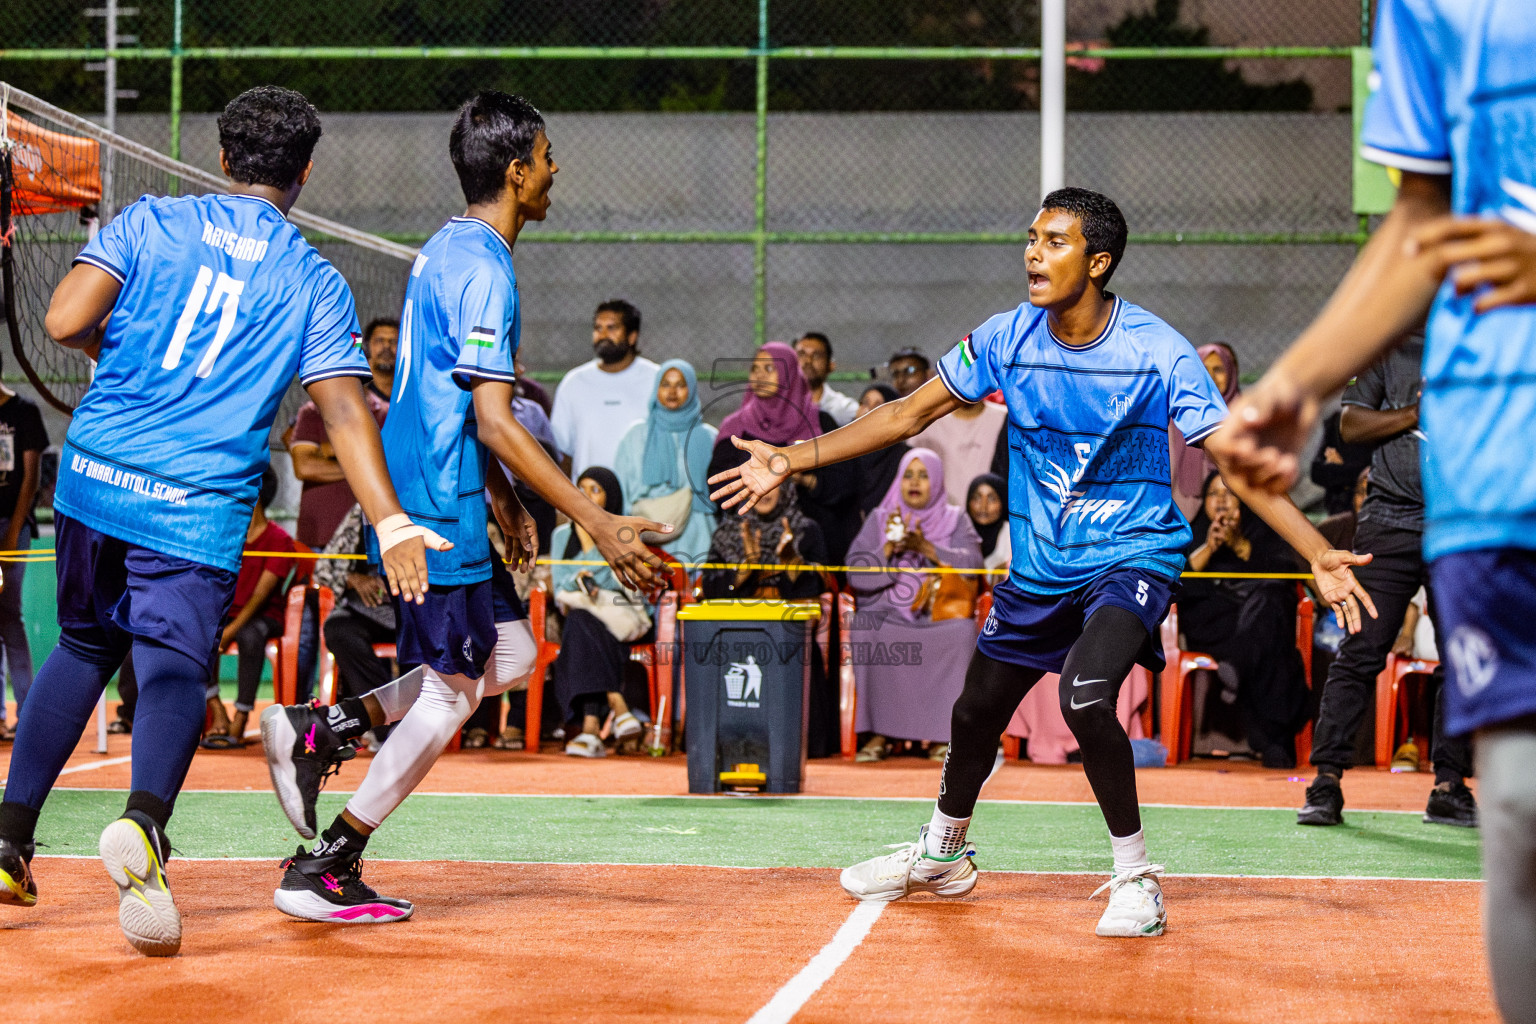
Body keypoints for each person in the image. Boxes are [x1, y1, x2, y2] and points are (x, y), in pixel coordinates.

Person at [711, 186, 1373, 938]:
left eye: (1054, 241)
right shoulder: (1005, 337)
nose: (1032, 252)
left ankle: (1135, 876)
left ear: (1098, 261)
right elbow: (905, 414)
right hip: (1040, 566)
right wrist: (789, 461)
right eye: (1031, 237)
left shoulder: (1156, 351)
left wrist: (1317, 550)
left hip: (1133, 555)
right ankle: (942, 855)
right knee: (974, 713)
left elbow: (1242, 464)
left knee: (1086, 697)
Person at [0, 86, 439, 957]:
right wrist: (388, 521)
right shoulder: (312, 278)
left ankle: (8, 843)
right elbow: (347, 413)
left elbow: (63, 319)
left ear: (224, 155)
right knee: (174, 674)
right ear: (304, 172)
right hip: (194, 501)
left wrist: (124, 356)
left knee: (83, 645)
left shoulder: (150, 220)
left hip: (94, 477)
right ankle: (145, 827)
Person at [257, 91, 668, 923]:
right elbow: (490, 418)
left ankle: (326, 725)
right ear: (518, 173)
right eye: (548, 156)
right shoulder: (486, 270)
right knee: (452, 694)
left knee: (509, 657)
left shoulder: (447, 247)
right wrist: (598, 521)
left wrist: (504, 498)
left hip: (441, 488)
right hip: (435, 505)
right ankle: (327, 862)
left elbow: (451, 401)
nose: (556, 169)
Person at [1205, 1, 1536, 1013]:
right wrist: (1295, 386)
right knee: (1520, 812)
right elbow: (1420, 221)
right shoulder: (1428, 9)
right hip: (1494, 475)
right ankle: (1338, 777)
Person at [1294, 333, 1475, 826]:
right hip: (1390, 523)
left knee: (1461, 656)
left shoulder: (1480, 346)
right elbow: (1350, 424)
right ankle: (1326, 782)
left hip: (1460, 523)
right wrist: (1416, 414)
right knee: (1361, 649)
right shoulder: (1385, 350)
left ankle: (1449, 786)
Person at [845, 449, 983, 764]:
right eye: (908, 475)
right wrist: (889, 549)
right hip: (890, 614)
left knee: (963, 632)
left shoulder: (955, 518)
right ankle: (879, 735)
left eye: (923, 475)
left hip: (939, 615)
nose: (915, 483)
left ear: (936, 480)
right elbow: (854, 570)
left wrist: (929, 549)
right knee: (868, 626)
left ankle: (942, 737)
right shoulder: (881, 518)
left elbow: (975, 565)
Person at [1179, 472, 1310, 767]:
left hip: (1257, 618)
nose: (1222, 501)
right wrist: (1208, 551)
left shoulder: (1260, 529)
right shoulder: (1191, 532)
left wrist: (1240, 546)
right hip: (1215, 622)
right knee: (1270, 641)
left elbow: (1286, 574)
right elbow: (1175, 588)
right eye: (1214, 494)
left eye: (1229, 493)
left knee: (1271, 602)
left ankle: (1238, 667)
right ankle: (1275, 740)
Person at [700, 481, 836, 756]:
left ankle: (796, 742)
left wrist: (791, 562)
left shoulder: (806, 530)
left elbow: (822, 586)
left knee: (793, 645)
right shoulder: (728, 531)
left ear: (784, 488)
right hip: (738, 626)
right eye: (756, 487)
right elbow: (709, 587)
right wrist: (743, 571)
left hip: (787, 627)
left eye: (770, 485)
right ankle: (733, 740)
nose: (763, 493)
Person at [710, 342, 860, 564]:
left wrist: (803, 478)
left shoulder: (819, 421)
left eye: (769, 369)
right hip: (748, 544)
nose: (760, 375)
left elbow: (844, 483)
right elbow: (717, 483)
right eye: (755, 369)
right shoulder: (736, 427)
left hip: (812, 543)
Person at [549, 468, 653, 758]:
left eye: (595, 489)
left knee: (584, 623)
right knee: (583, 621)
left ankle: (591, 728)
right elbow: (560, 589)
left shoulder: (622, 533)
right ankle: (618, 706)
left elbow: (624, 583)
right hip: (579, 618)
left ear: (611, 497)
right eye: (581, 488)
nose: (586, 496)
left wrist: (587, 565)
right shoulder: (561, 536)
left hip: (618, 618)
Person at [202, 468, 303, 749]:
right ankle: (215, 707)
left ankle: (242, 714)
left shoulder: (279, 540)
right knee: (200, 630)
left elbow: (259, 597)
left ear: (254, 494)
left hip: (263, 617)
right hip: (225, 613)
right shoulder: (224, 535)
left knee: (249, 634)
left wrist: (230, 629)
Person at [289, 317, 395, 548]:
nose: (347, 367)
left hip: (369, 543)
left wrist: (333, 453)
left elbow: (394, 466)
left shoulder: (388, 413)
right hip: (317, 540)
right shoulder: (312, 411)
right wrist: (365, 465)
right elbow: (304, 466)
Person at [613, 359, 717, 565]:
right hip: (648, 537)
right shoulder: (636, 435)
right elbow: (622, 490)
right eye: (665, 384)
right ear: (656, 389)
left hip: (698, 539)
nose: (672, 392)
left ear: (692, 389)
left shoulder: (709, 438)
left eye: (680, 385)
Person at [549, 299, 659, 479]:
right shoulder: (574, 383)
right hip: (587, 500)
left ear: (632, 336)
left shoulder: (656, 379)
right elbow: (562, 452)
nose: (603, 335)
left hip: (644, 501)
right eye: (598, 328)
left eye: (612, 328)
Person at [0, 379, 47, 742]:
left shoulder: (24, 411)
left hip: (13, 524)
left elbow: (30, 478)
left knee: (8, 615)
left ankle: (27, 711)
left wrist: (14, 530)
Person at [910, 380, 1008, 506]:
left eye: (974, 378)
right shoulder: (930, 424)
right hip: (944, 515)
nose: (967, 384)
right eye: (962, 378)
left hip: (993, 515)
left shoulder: (1005, 418)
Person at [1169, 343, 1239, 520]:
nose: (1211, 377)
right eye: (1203, 369)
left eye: (1218, 369)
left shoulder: (1245, 418)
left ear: (1231, 373)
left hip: (1237, 514)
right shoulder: (1176, 419)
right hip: (1183, 514)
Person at [851, 383, 908, 516]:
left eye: (877, 405)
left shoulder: (904, 457)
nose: (868, 409)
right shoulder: (842, 452)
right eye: (864, 403)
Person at [1309, 410, 1374, 516]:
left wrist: (1339, 467)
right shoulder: (1338, 422)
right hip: (1337, 510)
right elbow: (1317, 472)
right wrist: (1358, 472)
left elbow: (1372, 474)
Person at [795, 332, 859, 427]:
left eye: (816, 355)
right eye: (801, 354)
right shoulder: (777, 407)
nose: (808, 361)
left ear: (830, 365)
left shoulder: (845, 409)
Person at [967, 472, 1010, 573]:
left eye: (991, 499)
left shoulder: (1013, 536)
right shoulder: (958, 531)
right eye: (977, 498)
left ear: (1003, 502)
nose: (983, 506)